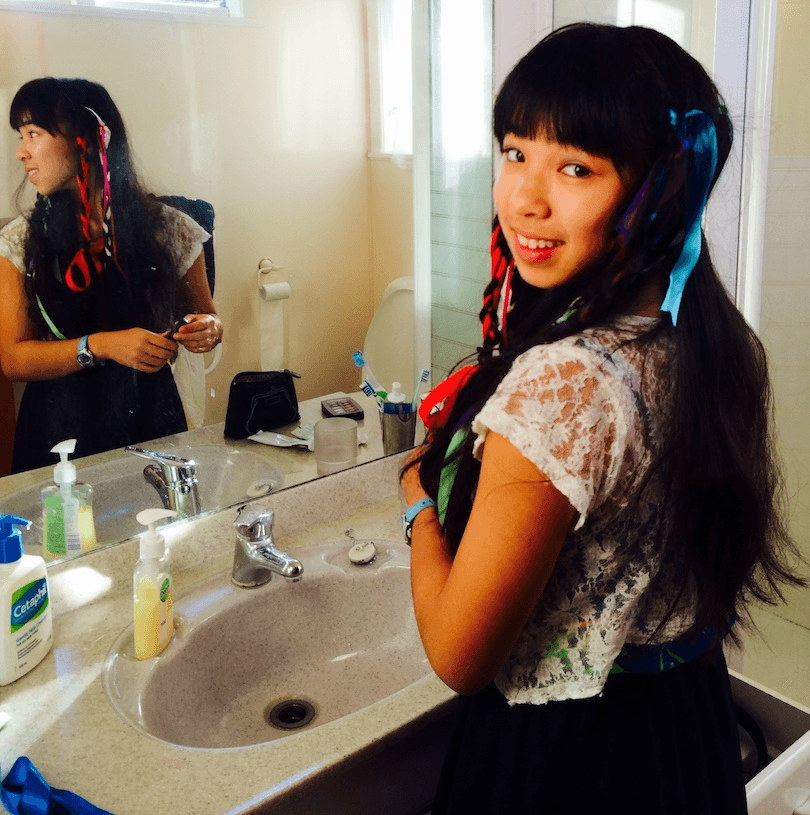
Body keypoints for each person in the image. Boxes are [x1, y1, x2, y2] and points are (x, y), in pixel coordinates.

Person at [401, 23, 806, 814]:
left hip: (573, 757)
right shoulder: (706, 338)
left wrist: (418, 500)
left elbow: (458, 655)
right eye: (515, 151)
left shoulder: (567, 384)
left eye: (575, 167)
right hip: (685, 724)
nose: (524, 197)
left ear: (660, 190)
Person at [0, 77, 222, 473]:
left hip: (151, 424)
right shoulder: (19, 241)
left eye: (33, 133)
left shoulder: (172, 229)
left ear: (85, 139)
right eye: (22, 136)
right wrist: (102, 345)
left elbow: (209, 317)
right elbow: (14, 359)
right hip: (57, 436)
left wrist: (206, 330)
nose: (21, 152)